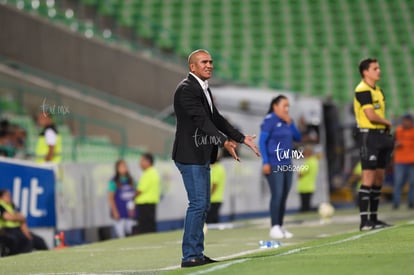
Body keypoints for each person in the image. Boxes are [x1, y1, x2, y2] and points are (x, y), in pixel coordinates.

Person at [172, 49, 260, 268]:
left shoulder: (202, 88)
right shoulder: (186, 90)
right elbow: (202, 120)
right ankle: (190, 255)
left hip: (200, 154)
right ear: (192, 67)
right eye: (204, 62)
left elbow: (216, 118)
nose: (209, 65)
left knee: (202, 204)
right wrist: (223, 141)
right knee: (198, 204)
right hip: (189, 154)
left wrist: (240, 138)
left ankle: (196, 253)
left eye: (211, 61)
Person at [353, 58, 394, 231]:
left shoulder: (379, 91)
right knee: (368, 178)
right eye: (375, 68)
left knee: (379, 178)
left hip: (381, 136)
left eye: (379, 67)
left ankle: (374, 218)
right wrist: (387, 122)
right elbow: (370, 115)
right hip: (368, 136)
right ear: (365, 72)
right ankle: (364, 222)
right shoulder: (362, 90)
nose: (379, 71)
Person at [259, 95, 301, 239]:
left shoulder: (287, 121)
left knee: (284, 195)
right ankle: (274, 226)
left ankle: (281, 226)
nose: (287, 109)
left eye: (288, 106)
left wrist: (291, 123)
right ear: (275, 106)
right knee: (277, 194)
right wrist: (265, 162)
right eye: (284, 105)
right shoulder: (269, 120)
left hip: (287, 163)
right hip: (273, 163)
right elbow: (262, 142)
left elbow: (298, 138)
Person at [0, 189, 48, 255]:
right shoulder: (1, 205)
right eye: (7, 195)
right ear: (1, 197)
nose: (10, 197)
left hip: (18, 229)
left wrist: (27, 233)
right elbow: (8, 217)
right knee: (20, 241)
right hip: (6, 230)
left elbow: (23, 219)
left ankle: (47, 256)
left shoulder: (12, 205)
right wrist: (18, 217)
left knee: (38, 240)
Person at [108, 159, 136, 238]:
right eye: (121, 166)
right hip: (119, 212)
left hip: (129, 212)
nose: (124, 168)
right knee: (121, 235)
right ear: (117, 168)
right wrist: (115, 212)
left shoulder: (131, 180)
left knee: (130, 232)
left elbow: (133, 196)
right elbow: (111, 198)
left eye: (125, 166)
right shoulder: (113, 181)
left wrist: (133, 208)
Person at [135, 153, 160, 234]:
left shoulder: (148, 173)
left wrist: (131, 197)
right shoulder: (154, 172)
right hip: (151, 204)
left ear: (148, 162)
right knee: (150, 227)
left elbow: (140, 190)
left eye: (142, 161)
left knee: (145, 228)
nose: (140, 163)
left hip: (145, 204)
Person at [393, 114, 414, 209]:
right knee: (398, 182)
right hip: (400, 161)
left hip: (412, 161)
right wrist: (395, 144)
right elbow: (391, 141)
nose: (406, 122)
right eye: (405, 120)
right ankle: (396, 203)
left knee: (412, 183)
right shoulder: (398, 130)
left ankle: (411, 203)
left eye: (408, 120)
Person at [297, 145, 319, 212]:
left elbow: (300, 173)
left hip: (304, 187)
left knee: (305, 208)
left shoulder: (308, 162)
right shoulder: (315, 161)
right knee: (307, 206)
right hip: (311, 186)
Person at [206, 156, 226, 224]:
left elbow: (214, 185)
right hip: (215, 199)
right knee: (214, 220)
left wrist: (207, 197)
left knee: (209, 221)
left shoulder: (217, 169)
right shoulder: (217, 168)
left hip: (213, 200)